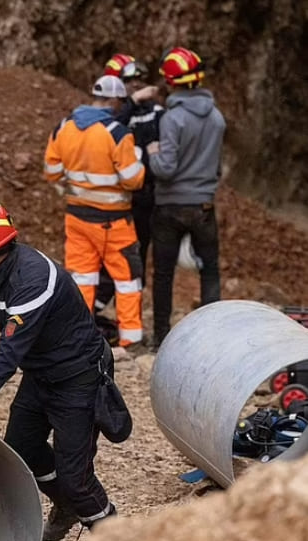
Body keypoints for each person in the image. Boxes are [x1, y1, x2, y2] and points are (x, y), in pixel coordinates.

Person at [0, 201, 117, 541]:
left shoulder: (33, 281)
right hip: (41, 374)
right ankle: (66, 505)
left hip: (78, 378)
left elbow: (7, 356)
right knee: (22, 448)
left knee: (77, 478)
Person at [44, 74, 146, 349]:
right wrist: (138, 159)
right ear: (114, 101)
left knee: (81, 278)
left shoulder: (64, 127)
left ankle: (78, 336)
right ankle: (131, 340)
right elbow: (133, 180)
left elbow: (52, 171)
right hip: (114, 221)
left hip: (77, 217)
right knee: (126, 279)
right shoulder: (117, 133)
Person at [147, 47, 226, 348]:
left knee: (164, 274)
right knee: (210, 270)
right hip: (203, 205)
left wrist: (153, 154)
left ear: (171, 81)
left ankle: (161, 337)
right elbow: (217, 168)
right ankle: (212, 338)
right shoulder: (217, 118)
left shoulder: (173, 118)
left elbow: (165, 169)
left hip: (170, 206)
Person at [94, 54, 165, 317]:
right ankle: (98, 307)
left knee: (137, 256)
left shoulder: (156, 112)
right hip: (116, 198)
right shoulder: (116, 112)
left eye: (139, 80)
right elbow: (107, 129)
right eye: (129, 80)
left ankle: (128, 314)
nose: (135, 84)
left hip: (144, 197)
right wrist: (132, 102)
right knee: (107, 256)